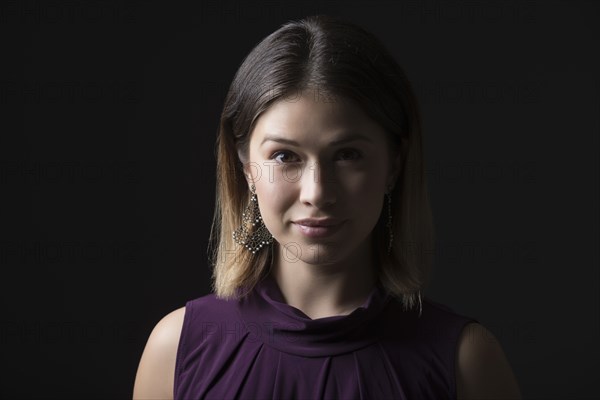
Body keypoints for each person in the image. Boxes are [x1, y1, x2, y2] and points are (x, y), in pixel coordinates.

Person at [133, 15, 522, 400]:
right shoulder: (176, 351)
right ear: (245, 166)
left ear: (394, 164)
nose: (317, 193)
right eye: (285, 156)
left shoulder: (466, 362)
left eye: (348, 155)